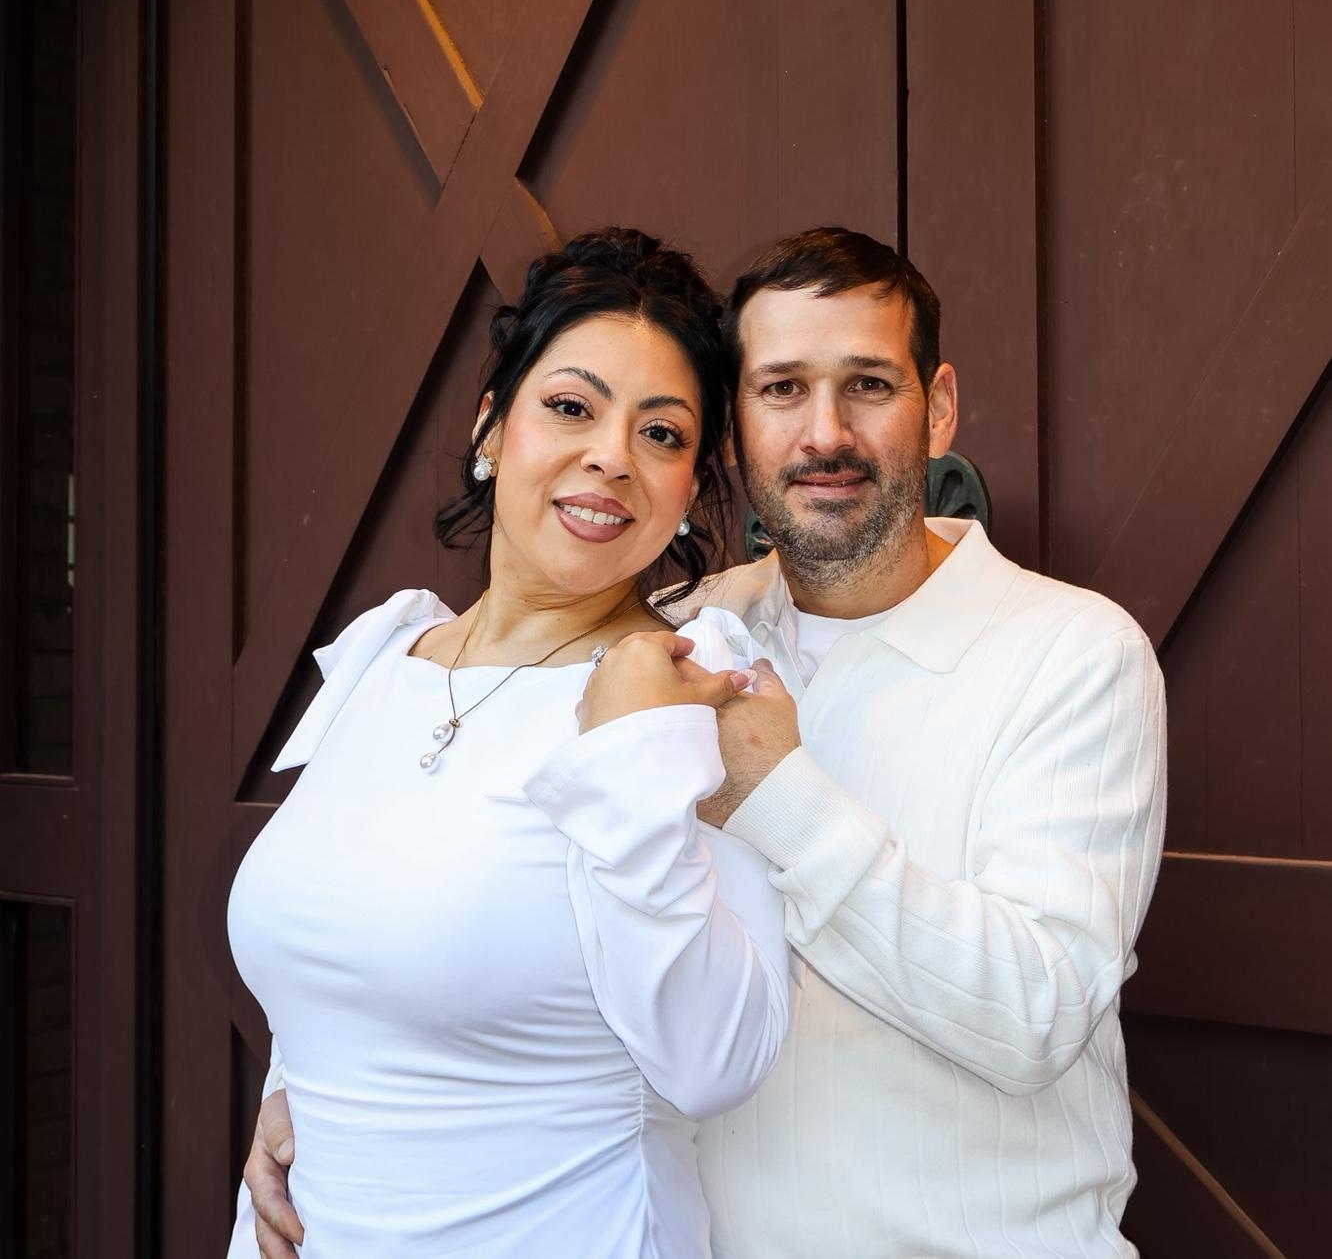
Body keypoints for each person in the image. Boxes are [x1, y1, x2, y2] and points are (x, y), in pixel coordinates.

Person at [246, 227, 1167, 1259]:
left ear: (938, 406)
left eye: (868, 384)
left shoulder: (1069, 653)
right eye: (781, 389)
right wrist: (322, 1084)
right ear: (734, 437)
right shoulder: (683, 632)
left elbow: (1037, 1017)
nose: (825, 432)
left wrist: (776, 791)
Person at [225, 228, 789, 1259]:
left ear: (689, 488)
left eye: (662, 434)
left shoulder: (693, 685)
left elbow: (718, 1061)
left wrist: (632, 757)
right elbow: (349, 936)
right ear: (491, 426)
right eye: (572, 407)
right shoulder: (387, 654)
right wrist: (296, 1084)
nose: (612, 455)